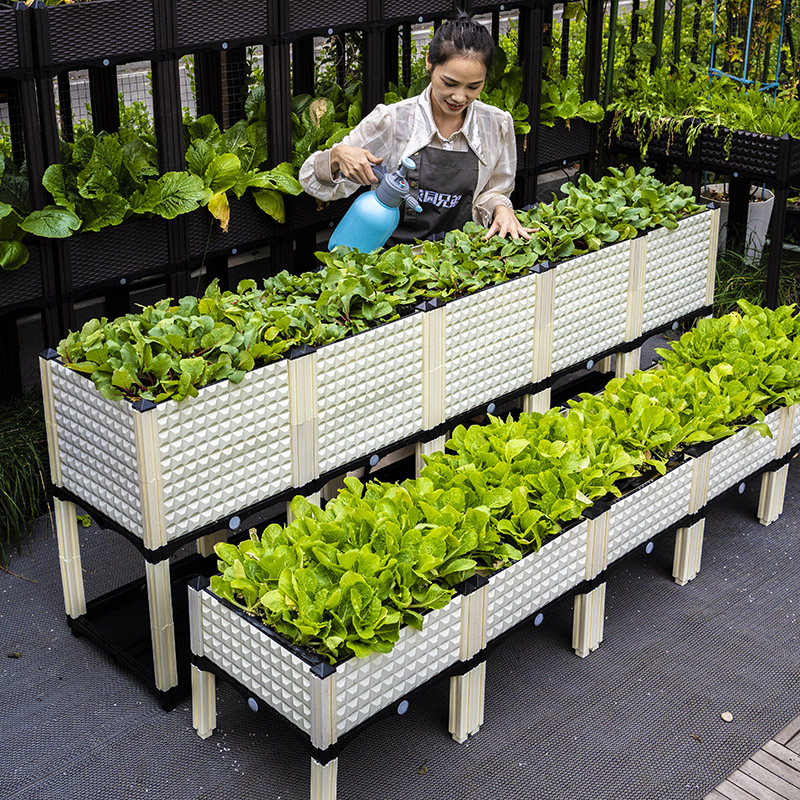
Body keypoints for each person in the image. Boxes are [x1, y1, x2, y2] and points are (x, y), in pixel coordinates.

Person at [299, 12, 532, 244]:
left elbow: (495, 190)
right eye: (449, 83)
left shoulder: (496, 124)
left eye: (473, 86)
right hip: (389, 263)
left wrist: (501, 208)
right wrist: (337, 157)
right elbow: (310, 180)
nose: (459, 97)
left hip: (459, 262)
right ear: (429, 61)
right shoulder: (392, 120)